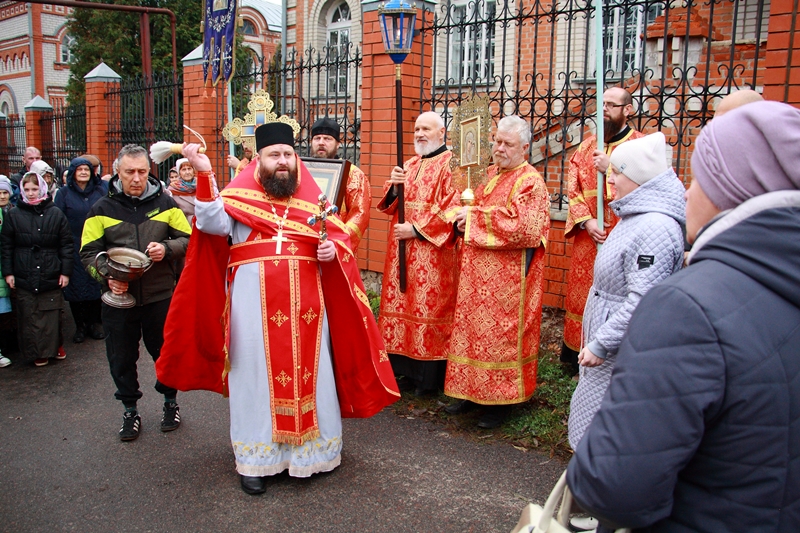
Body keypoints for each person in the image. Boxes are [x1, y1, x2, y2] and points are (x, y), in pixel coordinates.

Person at [566, 100, 800, 531]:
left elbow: (614, 484)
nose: (686, 191)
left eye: (701, 179)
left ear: (728, 188)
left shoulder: (687, 308)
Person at [156, 122, 399, 496]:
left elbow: (337, 239)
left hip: (308, 309)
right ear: (260, 162)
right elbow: (209, 222)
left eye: (288, 155)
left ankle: (311, 456)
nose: (282, 161)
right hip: (252, 309)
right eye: (274, 155)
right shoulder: (238, 196)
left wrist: (332, 251)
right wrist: (204, 172)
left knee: (313, 374)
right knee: (254, 377)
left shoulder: (314, 200)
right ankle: (256, 461)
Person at [567, 131, 685, 453]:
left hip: (619, 348)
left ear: (637, 176)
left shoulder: (655, 227)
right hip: (607, 340)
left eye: (617, 173)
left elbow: (642, 299)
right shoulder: (637, 216)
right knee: (593, 416)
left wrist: (602, 342)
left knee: (609, 426)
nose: (611, 180)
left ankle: (598, 485)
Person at [443, 116, 551, 429]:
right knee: (471, 334)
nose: (499, 148)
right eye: (497, 141)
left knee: (498, 338)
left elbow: (524, 227)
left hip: (508, 281)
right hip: (474, 275)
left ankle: (499, 404)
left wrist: (473, 217)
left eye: (507, 144)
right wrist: (460, 217)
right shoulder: (489, 174)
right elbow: (466, 206)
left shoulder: (530, 181)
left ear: (525, 148)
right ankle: (468, 393)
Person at [80, 144, 191, 442]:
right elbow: (88, 253)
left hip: (159, 295)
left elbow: (188, 239)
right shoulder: (101, 209)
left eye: (142, 171)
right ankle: (130, 410)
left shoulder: (167, 204)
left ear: (149, 171)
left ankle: (171, 403)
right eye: (130, 172)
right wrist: (106, 277)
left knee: (165, 353)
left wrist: (166, 248)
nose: (137, 178)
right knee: (121, 356)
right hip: (118, 299)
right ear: (118, 171)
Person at [560, 88, 644, 376]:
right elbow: (573, 190)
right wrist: (586, 221)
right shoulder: (585, 148)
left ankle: (612, 348)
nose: (604, 109)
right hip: (590, 236)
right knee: (582, 293)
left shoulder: (641, 146)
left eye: (611, 104)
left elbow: (648, 185)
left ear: (628, 110)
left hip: (624, 232)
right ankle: (576, 355)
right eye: (602, 104)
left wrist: (611, 168)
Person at [377, 111, 461, 396]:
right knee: (403, 306)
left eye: (427, 129)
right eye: (416, 129)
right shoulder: (409, 165)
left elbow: (452, 206)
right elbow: (390, 204)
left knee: (428, 307)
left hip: (432, 253)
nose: (420, 134)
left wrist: (415, 230)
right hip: (400, 251)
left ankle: (427, 378)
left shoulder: (451, 165)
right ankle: (403, 371)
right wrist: (393, 186)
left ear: (442, 133)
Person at [1, 172, 72, 367]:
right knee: (29, 313)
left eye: (34, 189)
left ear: (42, 188)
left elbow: (66, 244)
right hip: (24, 269)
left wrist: (65, 272)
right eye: (26, 190)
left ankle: (55, 345)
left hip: (50, 269)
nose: (31, 194)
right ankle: (37, 351)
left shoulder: (55, 213)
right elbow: (6, 245)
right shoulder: (14, 214)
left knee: (51, 312)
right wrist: (8, 272)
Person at [54, 157, 109, 344]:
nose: (84, 172)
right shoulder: (63, 194)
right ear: (73, 173)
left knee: (95, 283)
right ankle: (80, 326)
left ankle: (94, 324)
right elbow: (59, 220)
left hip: (97, 244)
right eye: (80, 170)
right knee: (76, 287)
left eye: (87, 169)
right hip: (74, 244)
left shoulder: (101, 190)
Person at [309, 117, 371, 250]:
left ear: (338, 144)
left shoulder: (353, 174)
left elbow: (360, 214)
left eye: (327, 139)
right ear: (311, 141)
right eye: (317, 138)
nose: (321, 142)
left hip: (335, 247)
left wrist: (337, 242)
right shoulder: (300, 171)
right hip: (304, 243)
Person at [167, 158, 197, 225]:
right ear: (179, 173)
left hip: (204, 228)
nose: (187, 172)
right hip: (186, 229)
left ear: (193, 170)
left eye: (189, 169)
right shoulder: (172, 191)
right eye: (183, 170)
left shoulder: (202, 185)